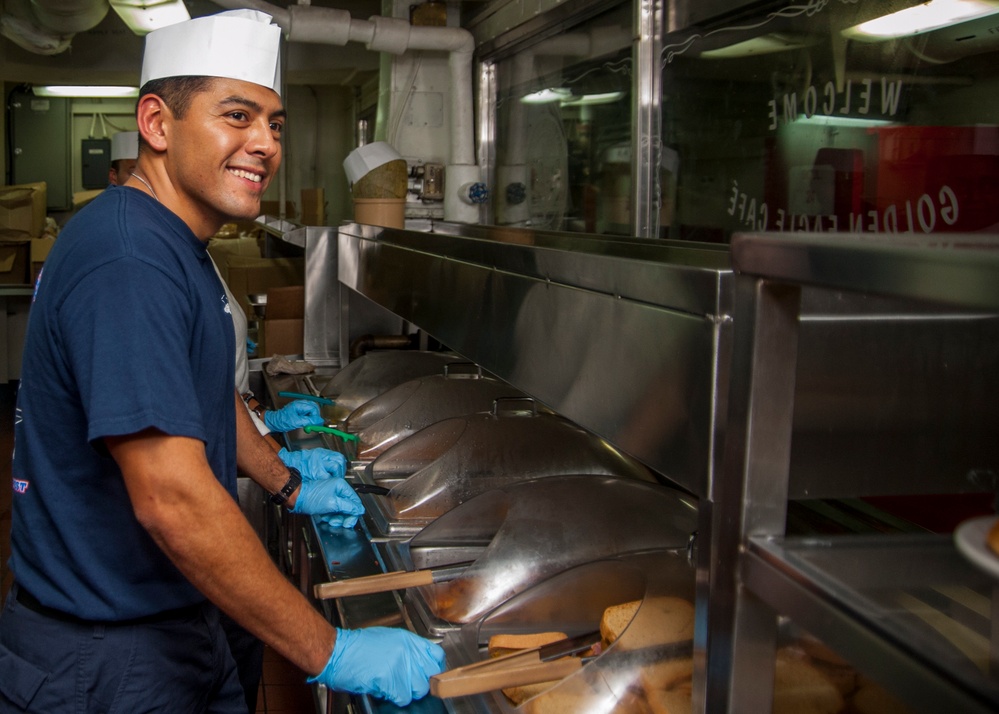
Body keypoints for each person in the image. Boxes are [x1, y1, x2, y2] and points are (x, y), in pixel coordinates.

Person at [2, 9, 445, 713]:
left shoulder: (171, 243)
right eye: (236, 116)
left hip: (172, 620)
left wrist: (288, 483)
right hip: (108, 657)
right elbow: (172, 498)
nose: (264, 143)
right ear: (156, 124)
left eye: (274, 123)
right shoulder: (129, 258)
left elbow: (204, 395)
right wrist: (331, 649)